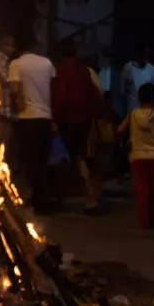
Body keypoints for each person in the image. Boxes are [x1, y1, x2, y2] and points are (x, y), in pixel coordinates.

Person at [51, 39, 106, 215]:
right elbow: (95, 94)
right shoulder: (83, 70)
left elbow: (60, 97)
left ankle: (74, 199)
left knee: (67, 158)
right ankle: (90, 198)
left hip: (67, 120)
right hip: (84, 119)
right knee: (81, 157)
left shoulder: (60, 71)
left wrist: (54, 119)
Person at [7, 37, 57, 212]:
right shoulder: (47, 63)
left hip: (28, 119)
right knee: (43, 160)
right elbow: (53, 89)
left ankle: (37, 200)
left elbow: (15, 91)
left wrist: (18, 111)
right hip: (45, 117)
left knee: (29, 161)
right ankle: (44, 198)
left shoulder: (16, 64)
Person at [122, 83, 154, 229]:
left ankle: (143, 222)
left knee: (141, 189)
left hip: (137, 156)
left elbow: (120, 130)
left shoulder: (133, 114)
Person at [121, 46, 154, 119]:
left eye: (147, 56)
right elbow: (122, 90)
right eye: (143, 55)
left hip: (147, 110)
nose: (145, 59)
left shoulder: (152, 69)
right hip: (132, 108)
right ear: (138, 55)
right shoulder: (128, 67)